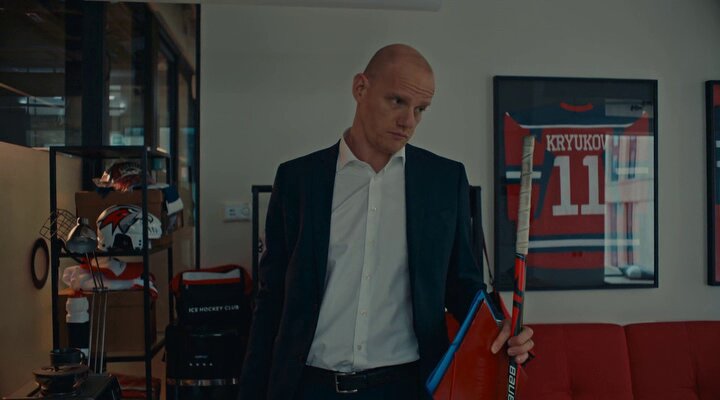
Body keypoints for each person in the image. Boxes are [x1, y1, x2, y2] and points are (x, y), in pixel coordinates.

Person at [238, 44, 534, 400]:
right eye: (397, 101)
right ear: (360, 88)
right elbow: (271, 298)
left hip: (407, 386)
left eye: (420, 109)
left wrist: (502, 328)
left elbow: (462, 284)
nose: (408, 121)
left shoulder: (444, 181)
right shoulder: (298, 180)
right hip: (309, 386)